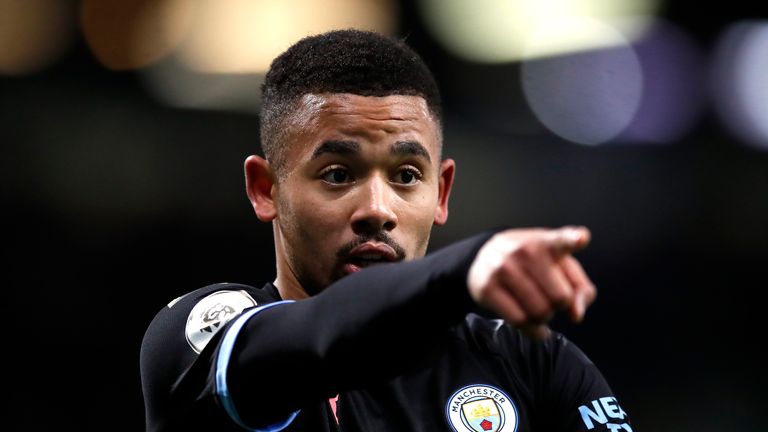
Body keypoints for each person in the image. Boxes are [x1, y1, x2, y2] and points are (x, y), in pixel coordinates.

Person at [140, 29, 633, 432]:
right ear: (266, 189)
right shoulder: (197, 337)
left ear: (441, 194)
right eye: (337, 174)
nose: (377, 210)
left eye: (406, 177)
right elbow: (313, 339)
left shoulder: (531, 363)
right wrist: (466, 266)